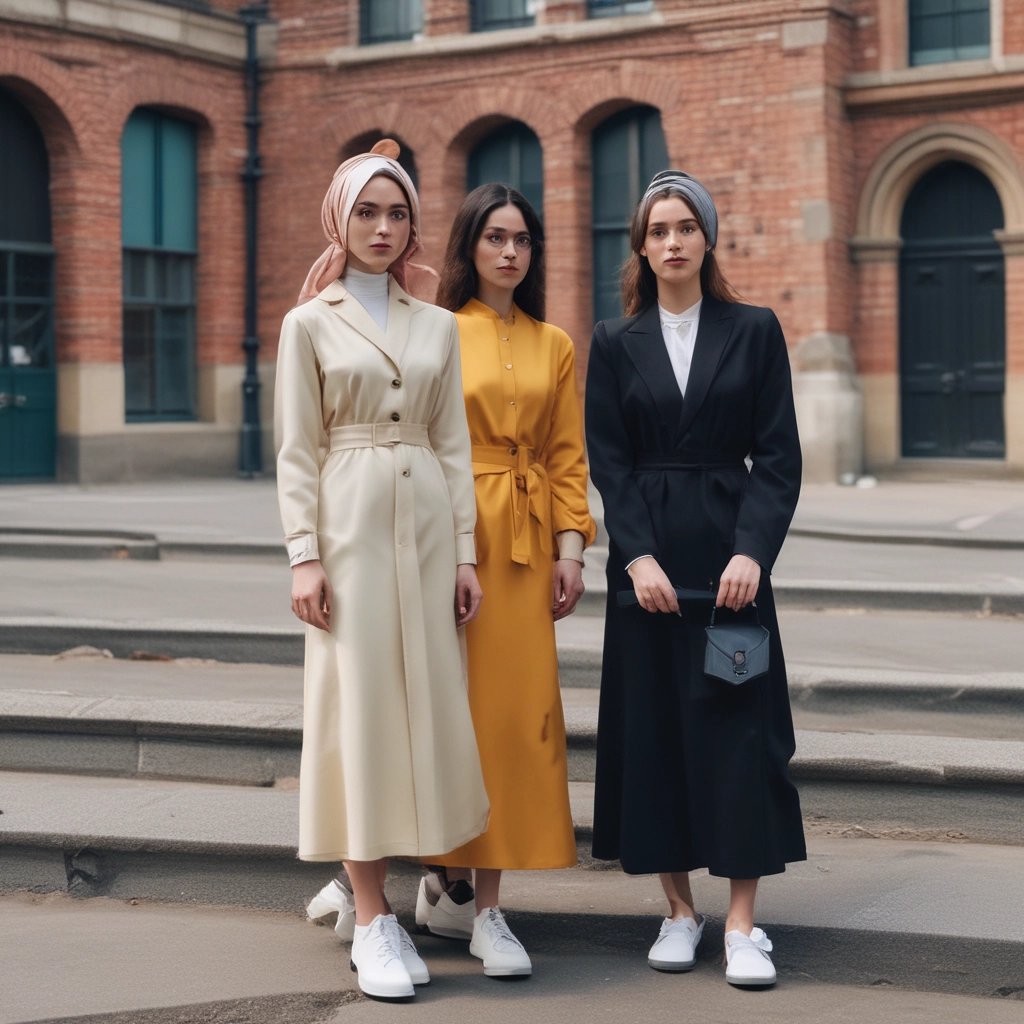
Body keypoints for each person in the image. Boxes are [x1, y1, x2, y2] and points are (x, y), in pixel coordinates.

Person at [276, 140, 489, 1002]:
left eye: (397, 213)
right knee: (357, 713)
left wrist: (466, 552)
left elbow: (452, 444)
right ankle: (371, 913)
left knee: (428, 713)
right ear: (340, 218)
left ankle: (424, 891)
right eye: (367, 211)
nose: (383, 227)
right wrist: (304, 555)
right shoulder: (309, 322)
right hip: (350, 524)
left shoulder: (437, 324)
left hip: (431, 528)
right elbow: (298, 447)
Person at [584, 170, 805, 988]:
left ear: (707, 239)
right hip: (647, 578)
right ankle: (679, 910)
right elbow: (608, 463)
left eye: (686, 227)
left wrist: (753, 550)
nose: (672, 241)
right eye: (658, 229)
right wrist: (634, 555)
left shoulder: (754, 330)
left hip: (732, 572)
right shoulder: (613, 342)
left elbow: (778, 457)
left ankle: (744, 921)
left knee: (743, 736)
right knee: (655, 736)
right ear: (641, 246)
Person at [412, 183, 597, 978]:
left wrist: (571, 547)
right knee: (450, 713)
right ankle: (434, 880)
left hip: (526, 550)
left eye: (522, 239)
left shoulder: (555, 341)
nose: (511, 252)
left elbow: (565, 454)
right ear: (470, 246)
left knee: (517, 720)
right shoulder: (438, 330)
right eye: (495, 237)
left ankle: (488, 908)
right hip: (451, 540)